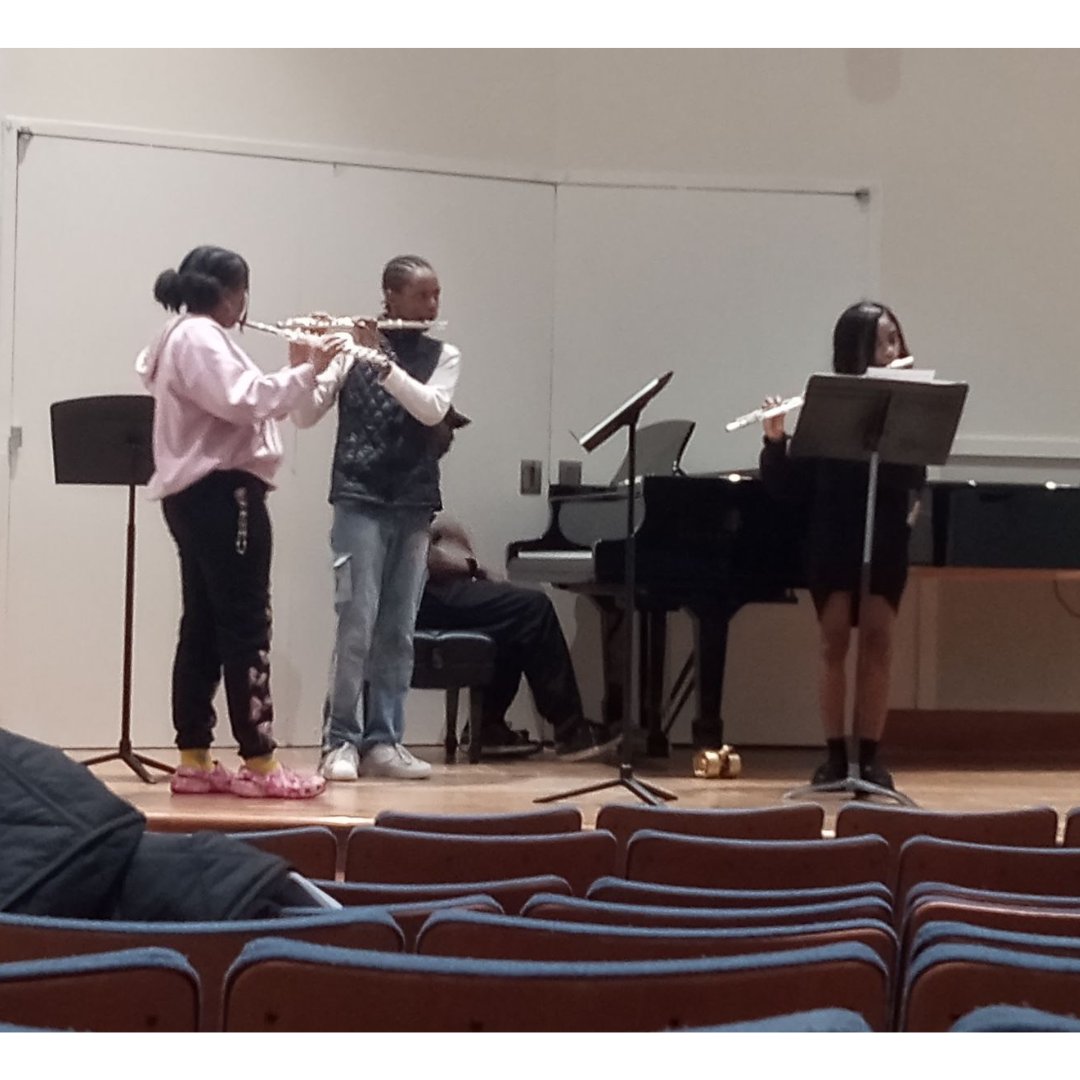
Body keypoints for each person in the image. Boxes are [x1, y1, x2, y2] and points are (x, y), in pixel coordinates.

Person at [137, 244, 339, 798]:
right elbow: (245, 400)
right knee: (247, 624)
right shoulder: (201, 336)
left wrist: (304, 368)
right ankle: (261, 763)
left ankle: (196, 758)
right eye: (244, 293)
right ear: (231, 293)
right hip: (226, 497)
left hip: (198, 498)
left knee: (202, 625)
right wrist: (307, 367)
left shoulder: (178, 336)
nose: (247, 305)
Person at [291, 255, 459, 782]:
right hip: (359, 498)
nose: (432, 306)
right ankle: (340, 740)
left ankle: (385, 740)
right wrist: (305, 358)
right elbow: (305, 413)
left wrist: (381, 362)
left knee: (398, 631)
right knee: (356, 624)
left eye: (436, 295)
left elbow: (431, 409)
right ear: (390, 296)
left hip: (412, 502)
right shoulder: (348, 351)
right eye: (422, 296)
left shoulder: (443, 354)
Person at [758, 301, 926, 791]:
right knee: (834, 643)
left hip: (886, 533)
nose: (891, 348)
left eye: (894, 338)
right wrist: (775, 442)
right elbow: (788, 489)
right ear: (853, 349)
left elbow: (916, 473)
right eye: (879, 341)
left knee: (879, 642)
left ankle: (869, 760)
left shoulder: (911, 406)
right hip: (832, 537)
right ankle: (835, 759)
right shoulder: (827, 407)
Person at [417, 514, 621, 760]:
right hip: (419, 597)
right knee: (532, 608)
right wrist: (475, 568)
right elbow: (419, 556)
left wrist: (440, 529)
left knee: (512, 609)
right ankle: (570, 731)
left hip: (423, 592)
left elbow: (429, 534)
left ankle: (488, 728)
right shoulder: (401, 488)